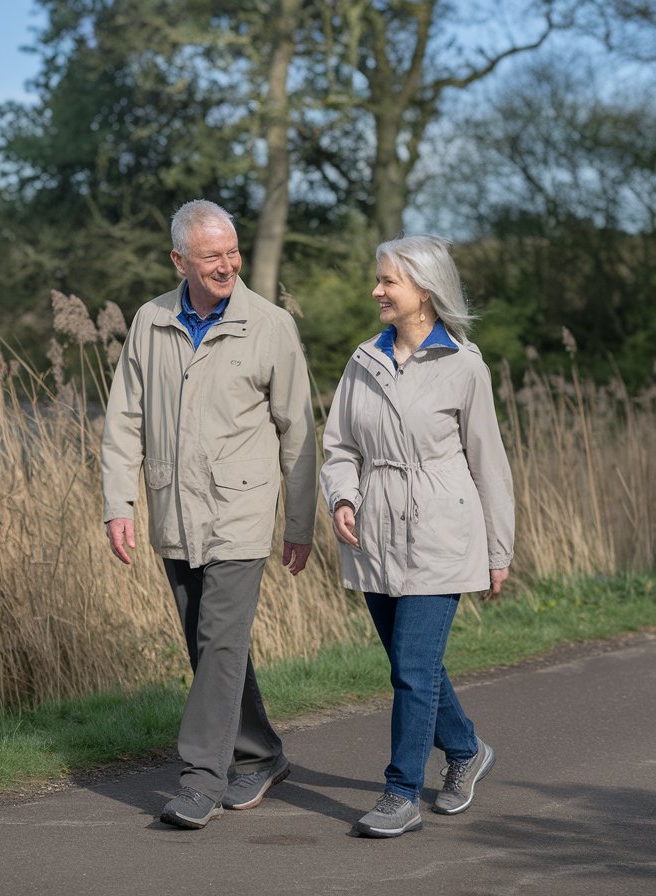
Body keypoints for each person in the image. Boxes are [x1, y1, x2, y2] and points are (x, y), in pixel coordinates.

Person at [101, 199, 317, 830]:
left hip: (241, 511)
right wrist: (120, 502)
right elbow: (124, 420)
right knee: (209, 644)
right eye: (211, 255)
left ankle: (200, 778)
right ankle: (261, 752)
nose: (227, 264)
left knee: (219, 639)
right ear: (179, 260)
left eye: (232, 252)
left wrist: (299, 525)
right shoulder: (151, 320)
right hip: (175, 509)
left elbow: (298, 434)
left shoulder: (271, 325)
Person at [320, 234, 515, 838]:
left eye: (388, 281)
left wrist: (499, 550)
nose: (376, 290)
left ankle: (400, 793)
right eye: (378, 280)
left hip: (442, 533)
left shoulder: (464, 364)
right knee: (412, 667)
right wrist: (344, 495)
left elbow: (490, 462)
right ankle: (465, 750)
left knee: (411, 667)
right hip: (375, 534)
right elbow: (340, 447)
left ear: (424, 291)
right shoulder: (363, 361)